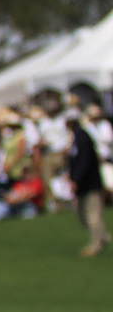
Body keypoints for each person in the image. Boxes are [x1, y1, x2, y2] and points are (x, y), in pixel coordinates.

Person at [66, 109, 109, 258]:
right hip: (84, 184)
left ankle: (97, 244)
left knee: (93, 215)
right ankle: (102, 237)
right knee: (83, 215)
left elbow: (84, 161)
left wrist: (76, 179)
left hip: (89, 183)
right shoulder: (77, 137)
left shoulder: (83, 137)